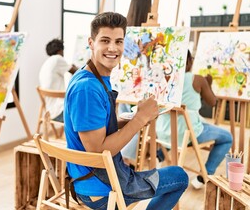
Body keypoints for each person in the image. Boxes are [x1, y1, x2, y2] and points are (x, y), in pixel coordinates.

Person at [64, 12, 188, 209]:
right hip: (99, 188)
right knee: (179, 177)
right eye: (105, 40)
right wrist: (139, 120)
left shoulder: (91, 77)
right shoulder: (87, 88)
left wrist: (129, 119)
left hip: (92, 179)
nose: (113, 48)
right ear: (91, 42)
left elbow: (96, 129)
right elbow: (98, 153)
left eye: (118, 41)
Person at [156, 50, 233, 189]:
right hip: (187, 133)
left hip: (163, 131)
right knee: (227, 137)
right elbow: (213, 102)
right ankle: (204, 176)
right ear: (190, 61)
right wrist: (208, 84)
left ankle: (159, 155)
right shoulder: (197, 79)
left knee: (179, 130)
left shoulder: (162, 78)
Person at [120, 0, 152, 163]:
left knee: (124, 120)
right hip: (140, 86)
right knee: (137, 122)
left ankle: (121, 158)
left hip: (122, 84)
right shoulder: (147, 34)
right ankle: (126, 160)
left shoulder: (123, 32)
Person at [39, 38, 78, 122]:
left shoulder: (47, 62)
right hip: (60, 112)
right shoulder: (57, 59)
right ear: (60, 50)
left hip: (49, 111)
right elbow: (76, 72)